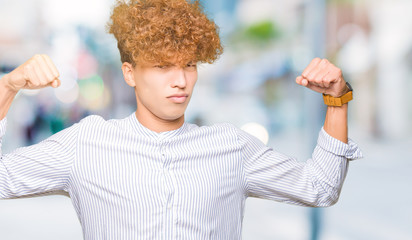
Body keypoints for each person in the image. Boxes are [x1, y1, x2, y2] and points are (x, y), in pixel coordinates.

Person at [0, 0, 362, 239]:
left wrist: (337, 100)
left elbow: (321, 187)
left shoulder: (230, 146)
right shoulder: (85, 144)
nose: (181, 80)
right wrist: (7, 87)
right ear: (130, 73)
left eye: (189, 64)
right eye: (162, 66)